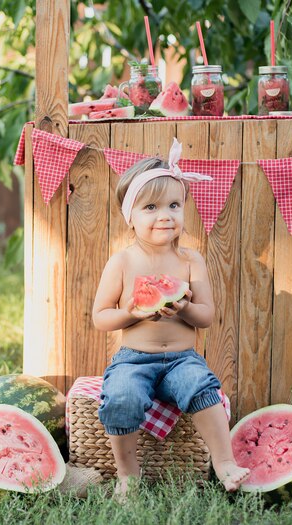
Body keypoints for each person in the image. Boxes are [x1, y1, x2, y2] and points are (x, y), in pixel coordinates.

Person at [92, 138, 250, 497]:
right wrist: (132, 311)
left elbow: (206, 316)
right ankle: (128, 475)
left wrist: (184, 308)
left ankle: (224, 463)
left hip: (182, 359)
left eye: (174, 205)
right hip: (134, 361)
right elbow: (101, 317)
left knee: (202, 387)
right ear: (129, 216)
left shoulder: (191, 260)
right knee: (121, 398)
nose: (166, 215)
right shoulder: (122, 262)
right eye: (151, 207)